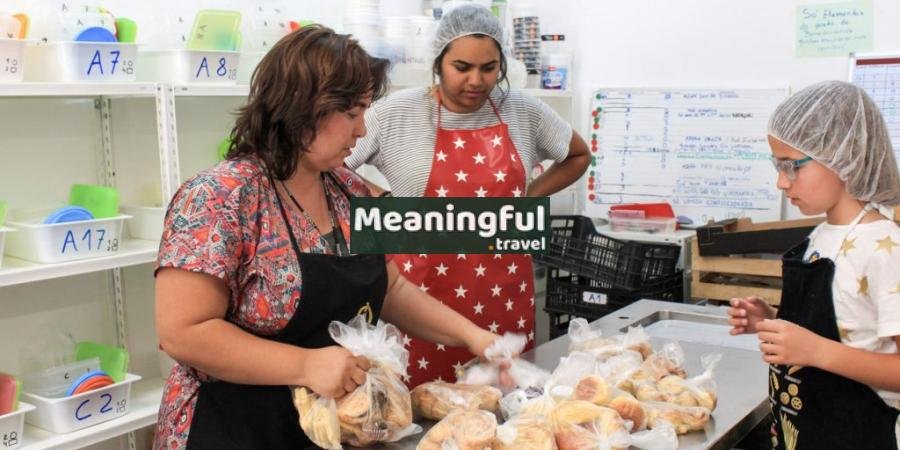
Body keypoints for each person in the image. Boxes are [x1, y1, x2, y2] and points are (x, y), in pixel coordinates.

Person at [153, 25, 503, 450]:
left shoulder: (351, 190)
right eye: (352, 114)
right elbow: (183, 332)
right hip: (233, 428)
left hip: (328, 429)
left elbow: (392, 288)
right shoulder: (219, 197)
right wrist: (305, 365)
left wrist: (474, 337)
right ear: (301, 108)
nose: (362, 131)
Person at [345, 4, 590, 387]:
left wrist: (528, 198)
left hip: (503, 297)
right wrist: (375, 196)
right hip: (420, 301)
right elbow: (332, 165)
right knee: (422, 407)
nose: (476, 80)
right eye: (462, 67)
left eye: (489, 68)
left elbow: (578, 155)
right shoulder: (396, 113)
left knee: (505, 407)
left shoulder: (523, 111)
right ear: (438, 61)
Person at [728, 80, 900, 450]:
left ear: (843, 156)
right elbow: (844, 325)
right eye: (777, 165)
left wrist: (817, 351)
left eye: (791, 166)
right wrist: (771, 321)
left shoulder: (885, 248)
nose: (781, 181)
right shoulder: (819, 237)